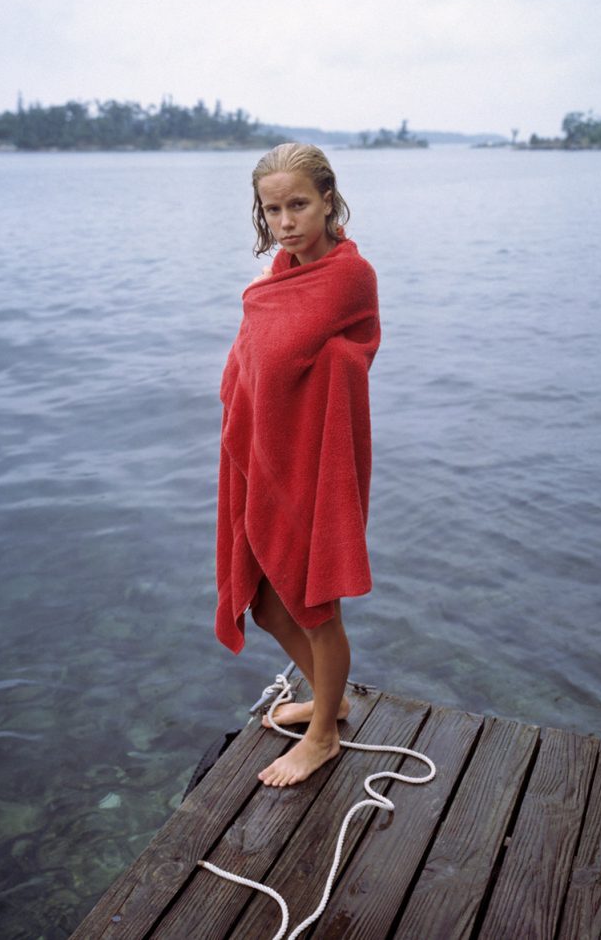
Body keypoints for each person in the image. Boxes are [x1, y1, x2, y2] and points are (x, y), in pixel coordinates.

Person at [214, 143, 380, 788]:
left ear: (329, 199)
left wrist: (258, 306)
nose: (286, 221)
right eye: (273, 208)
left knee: (315, 606)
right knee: (266, 604)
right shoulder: (280, 272)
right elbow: (260, 358)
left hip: (314, 458)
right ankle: (329, 698)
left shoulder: (347, 275)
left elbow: (287, 351)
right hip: (266, 452)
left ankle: (324, 738)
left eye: (299, 205)